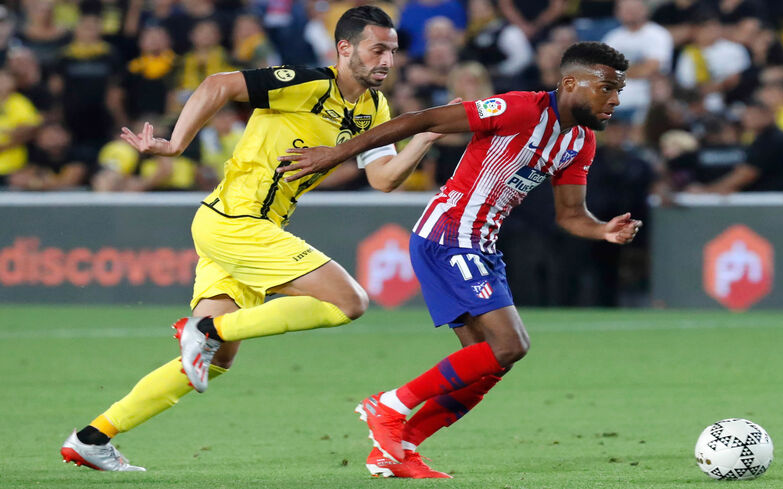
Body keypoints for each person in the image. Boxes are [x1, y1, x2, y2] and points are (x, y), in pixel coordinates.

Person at [60, 6, 445, 472]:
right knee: (350, 301)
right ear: (345, 49)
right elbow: (219, 84)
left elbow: (382, 178)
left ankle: (93, 437)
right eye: (377, 49)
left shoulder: (373, 108)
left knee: (215, 361)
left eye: (393, 50)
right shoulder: (306, 82)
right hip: (237, 221)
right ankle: (205, 329)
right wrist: (177, 142)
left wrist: (423, 137)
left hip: (237, 229)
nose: (387, 59)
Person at [278, 41, 640, 478]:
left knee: (489, 365)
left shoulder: (579, 142)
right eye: (607, 88)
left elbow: (570, 215)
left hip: (481, 247)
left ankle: (397, 451)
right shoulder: (517, 109)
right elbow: (423, 120)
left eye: (619, 90)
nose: (616, 100)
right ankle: (388, 406)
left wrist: (601, 229)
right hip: (448, 236)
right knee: (511, 345)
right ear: (569, 83)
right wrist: (337, 153)